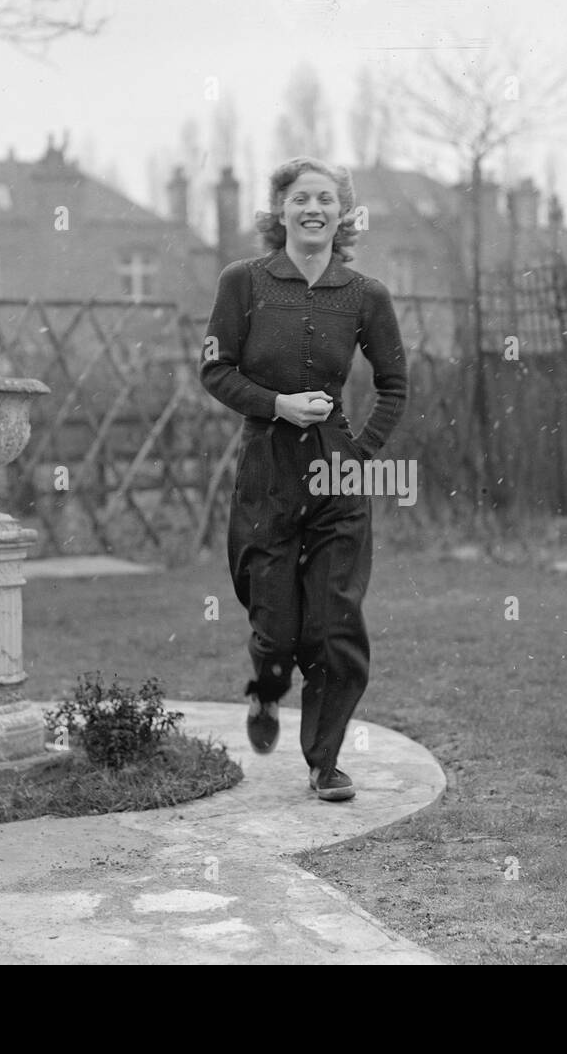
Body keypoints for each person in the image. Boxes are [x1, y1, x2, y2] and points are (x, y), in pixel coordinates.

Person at [200, 156, 408, 802]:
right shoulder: (246, 282)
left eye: (326, 198)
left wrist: (361, 451)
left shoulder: (365, 294)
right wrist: (276, 404)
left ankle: (325, 761)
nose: (313, 208)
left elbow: (396, 385)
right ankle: (266, 687)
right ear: (280, 210)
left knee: (336, 622)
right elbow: (216, 370)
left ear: (343, 213)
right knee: (277, 625)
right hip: (267, 466)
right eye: (300, 198)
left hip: (336, 472)